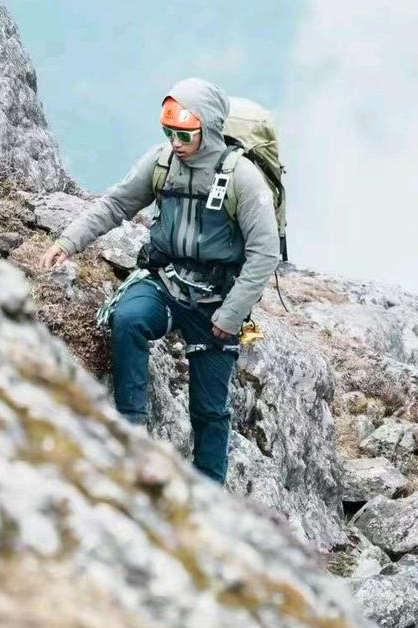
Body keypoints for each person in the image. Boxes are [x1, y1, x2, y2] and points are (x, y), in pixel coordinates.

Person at [40, 77, 279, 483]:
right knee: (129, 319)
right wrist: (68, 241)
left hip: (216, 301)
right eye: (168, 131)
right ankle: (131, 430)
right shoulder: (161, 163)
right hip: (164, 282)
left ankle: (208, 500)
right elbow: (117, 203)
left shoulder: (243, 179)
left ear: (210, 128)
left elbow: (264, 252)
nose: (175, 141)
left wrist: (233, 313)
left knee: (209, 409)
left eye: (184, 133)